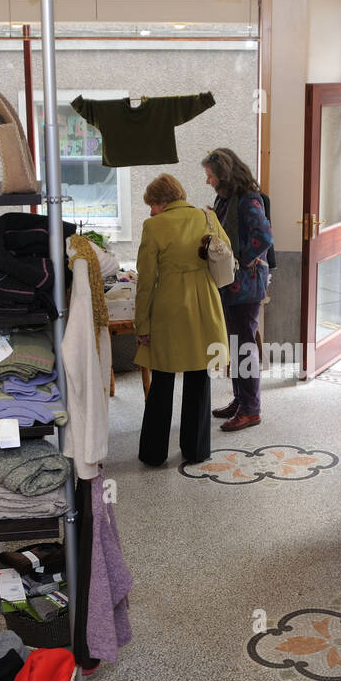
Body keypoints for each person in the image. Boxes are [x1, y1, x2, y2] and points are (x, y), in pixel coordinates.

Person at [133, 173, 229, 466]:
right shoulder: (208, 217)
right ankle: (197, 450)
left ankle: (153, 453)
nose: (151, 211)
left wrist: (142, 325)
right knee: (199, 377)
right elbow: (226, 258)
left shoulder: (154, 226)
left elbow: (146, 282)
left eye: (152, 204)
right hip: (206, 303)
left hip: (170, 307)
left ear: (162, 201)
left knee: (161, 381)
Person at [201, 147, 273, 431]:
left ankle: (251, 410)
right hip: (233, 284)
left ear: (224, 175)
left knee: (244, 346)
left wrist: (241, 259)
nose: (208, 181)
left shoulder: (248, 200)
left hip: (246, 283)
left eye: (210, 176)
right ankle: (240, 400)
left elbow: (264, 236)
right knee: (236, 345)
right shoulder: (226, 199)